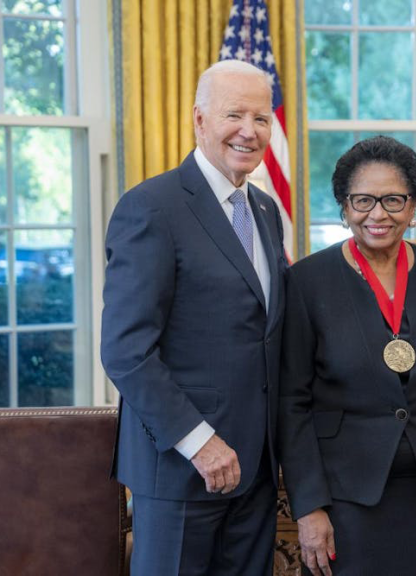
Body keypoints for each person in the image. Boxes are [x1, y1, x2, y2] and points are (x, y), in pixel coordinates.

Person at [101, 60, 287, 575]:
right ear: (199, 119)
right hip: (181, 469)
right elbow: (125, 350)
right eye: (234, 114)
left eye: (262, 117)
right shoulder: (151, 207)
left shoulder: (266, 212)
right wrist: (200, 442)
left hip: (255, 468)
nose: (249, 131)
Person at [278, 136, 416, 576]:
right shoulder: (307, 282)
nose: (378, 214)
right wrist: (309, 505)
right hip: (347, 494)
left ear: (413, 206)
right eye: (363, 200)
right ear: (343, 206)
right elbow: (292, 402)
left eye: (393, 199)